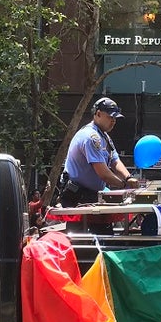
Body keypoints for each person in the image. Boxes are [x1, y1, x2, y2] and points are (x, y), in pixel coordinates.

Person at [61, 97, 139, 234]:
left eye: (115, 118)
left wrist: (128, 178)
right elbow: (103, 173)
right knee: (85, 242)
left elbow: (115, 161)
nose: (113, 121)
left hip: (92, 196)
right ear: (98, 114)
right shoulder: (91, 137)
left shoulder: (105, 137)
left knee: (104, 235)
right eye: (110, 117)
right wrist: (123, 185)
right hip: (79, 197)